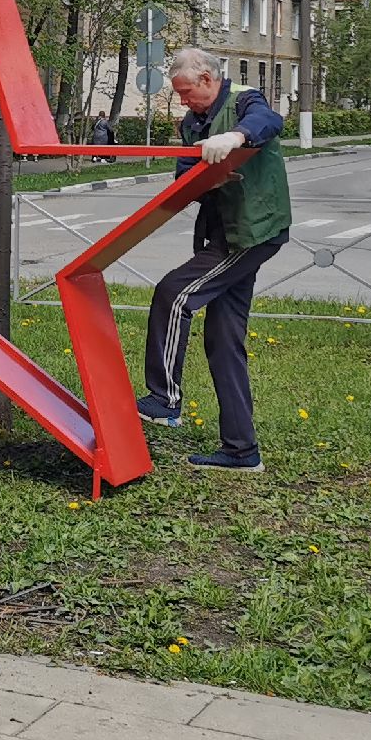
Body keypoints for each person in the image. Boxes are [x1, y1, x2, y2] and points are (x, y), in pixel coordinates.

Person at [138, 47, 290, 471]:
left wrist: (234, 138)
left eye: (187, 92)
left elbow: (269, 122)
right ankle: (242, 450)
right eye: (179, 95)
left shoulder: (244, 99)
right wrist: (200, 179)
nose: (183, 101)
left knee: (173, 294)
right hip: (225, 231)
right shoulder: (192, 122)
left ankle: (163, 399)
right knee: (224, 341)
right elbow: (184, 174)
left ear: (207, 78)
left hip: (250, 232)